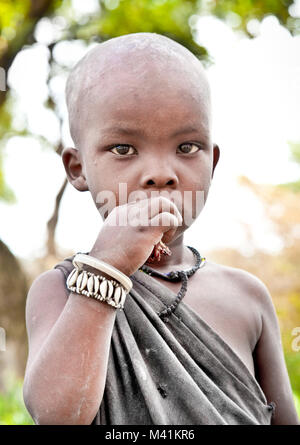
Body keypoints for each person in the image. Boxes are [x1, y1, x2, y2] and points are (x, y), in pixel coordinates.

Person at [23, 32, 299, 425]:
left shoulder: (247, 297)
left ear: (213, 161)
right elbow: (57, 416)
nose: (160, 174)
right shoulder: (61, 291)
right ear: (78, 167)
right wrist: (105, 271)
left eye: (187, 147)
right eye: (123, 148)